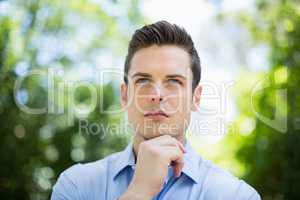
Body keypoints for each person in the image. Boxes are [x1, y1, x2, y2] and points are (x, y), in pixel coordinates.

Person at [51, 21, 261, 200]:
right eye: (143, 80)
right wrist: (138, 192)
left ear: (195, 98)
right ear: (125, 96)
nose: (157, 94)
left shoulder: (237, 195)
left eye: (173, 81)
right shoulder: (76, 186)